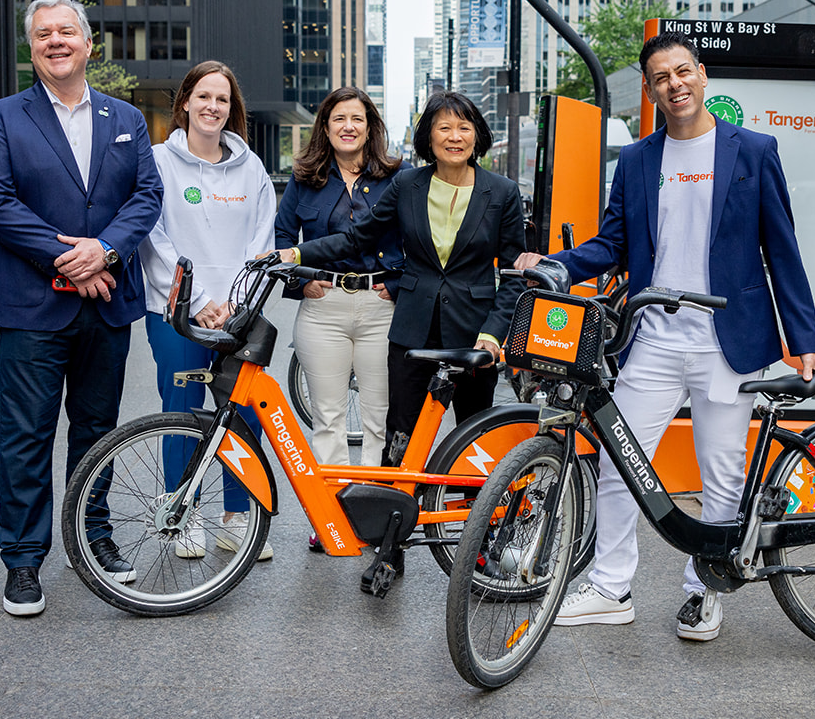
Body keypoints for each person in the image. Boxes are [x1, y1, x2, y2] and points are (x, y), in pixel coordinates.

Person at [517, 30, 815, 642]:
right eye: (662, 78)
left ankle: (702, 592)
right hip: (652, 338)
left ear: (702, 75)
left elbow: (781, 251)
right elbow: (612, 245)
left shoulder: (754, 151)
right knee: (617, 461)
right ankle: (610, 587)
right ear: (652, 91)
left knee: (721, 472)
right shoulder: (635, 161)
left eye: (683, 72)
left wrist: (805, 338)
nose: (675, 85)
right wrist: (556, 264)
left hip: (726, 341)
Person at [0, 0, 164, 618]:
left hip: (106, 305)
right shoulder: (3, 117)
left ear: (88, 45)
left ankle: (93, 539)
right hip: (32, 306)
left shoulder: (126, 117)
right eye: (43, 34)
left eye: (66, 32)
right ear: (32, 49)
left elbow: (147, 194)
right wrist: (71, 261)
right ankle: (24, 562)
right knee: (25, 435)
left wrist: (105, 250)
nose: (56, 41)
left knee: (96, 432)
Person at [280, 90, 526, 483]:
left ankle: (477, 524)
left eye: (464, 127)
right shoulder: (408, 185)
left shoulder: (502, 192)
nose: (454, 136)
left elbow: (514, 273)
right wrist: (296, 255)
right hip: (411, 328)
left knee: (477, 435)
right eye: (444, 127)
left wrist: (493, 334)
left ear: (477, 135)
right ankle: (390, 523)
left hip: (475, 331)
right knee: (399, 434)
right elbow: (357, 238)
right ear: (428, 137)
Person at [139, 59, 277, 562]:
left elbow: (263, 240)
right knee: (182, 412)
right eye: (203, 97)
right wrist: (198, 302)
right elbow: (153, 238)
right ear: (185, 104)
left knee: (243, 413)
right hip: (176, 312)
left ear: (231, 110)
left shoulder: (252, 167)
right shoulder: (156, 160)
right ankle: (183, 510)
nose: (212, 107)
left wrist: (236, 304)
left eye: (222, 99)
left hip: (238, 313)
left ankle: (237, 516)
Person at [274, 86, 403, 469]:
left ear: (370, 127)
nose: (348, 127)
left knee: (378, 418)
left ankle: (373, 508)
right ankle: (333, 519)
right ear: (326, 127)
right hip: (322, 307)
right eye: (339, 119)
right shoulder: (305, 177)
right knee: (327, 419)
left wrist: (396, 285)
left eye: (357, 119)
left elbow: (422, 238)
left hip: (381, 309)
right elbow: (283, 236)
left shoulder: (397, 177)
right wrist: (300, 282)